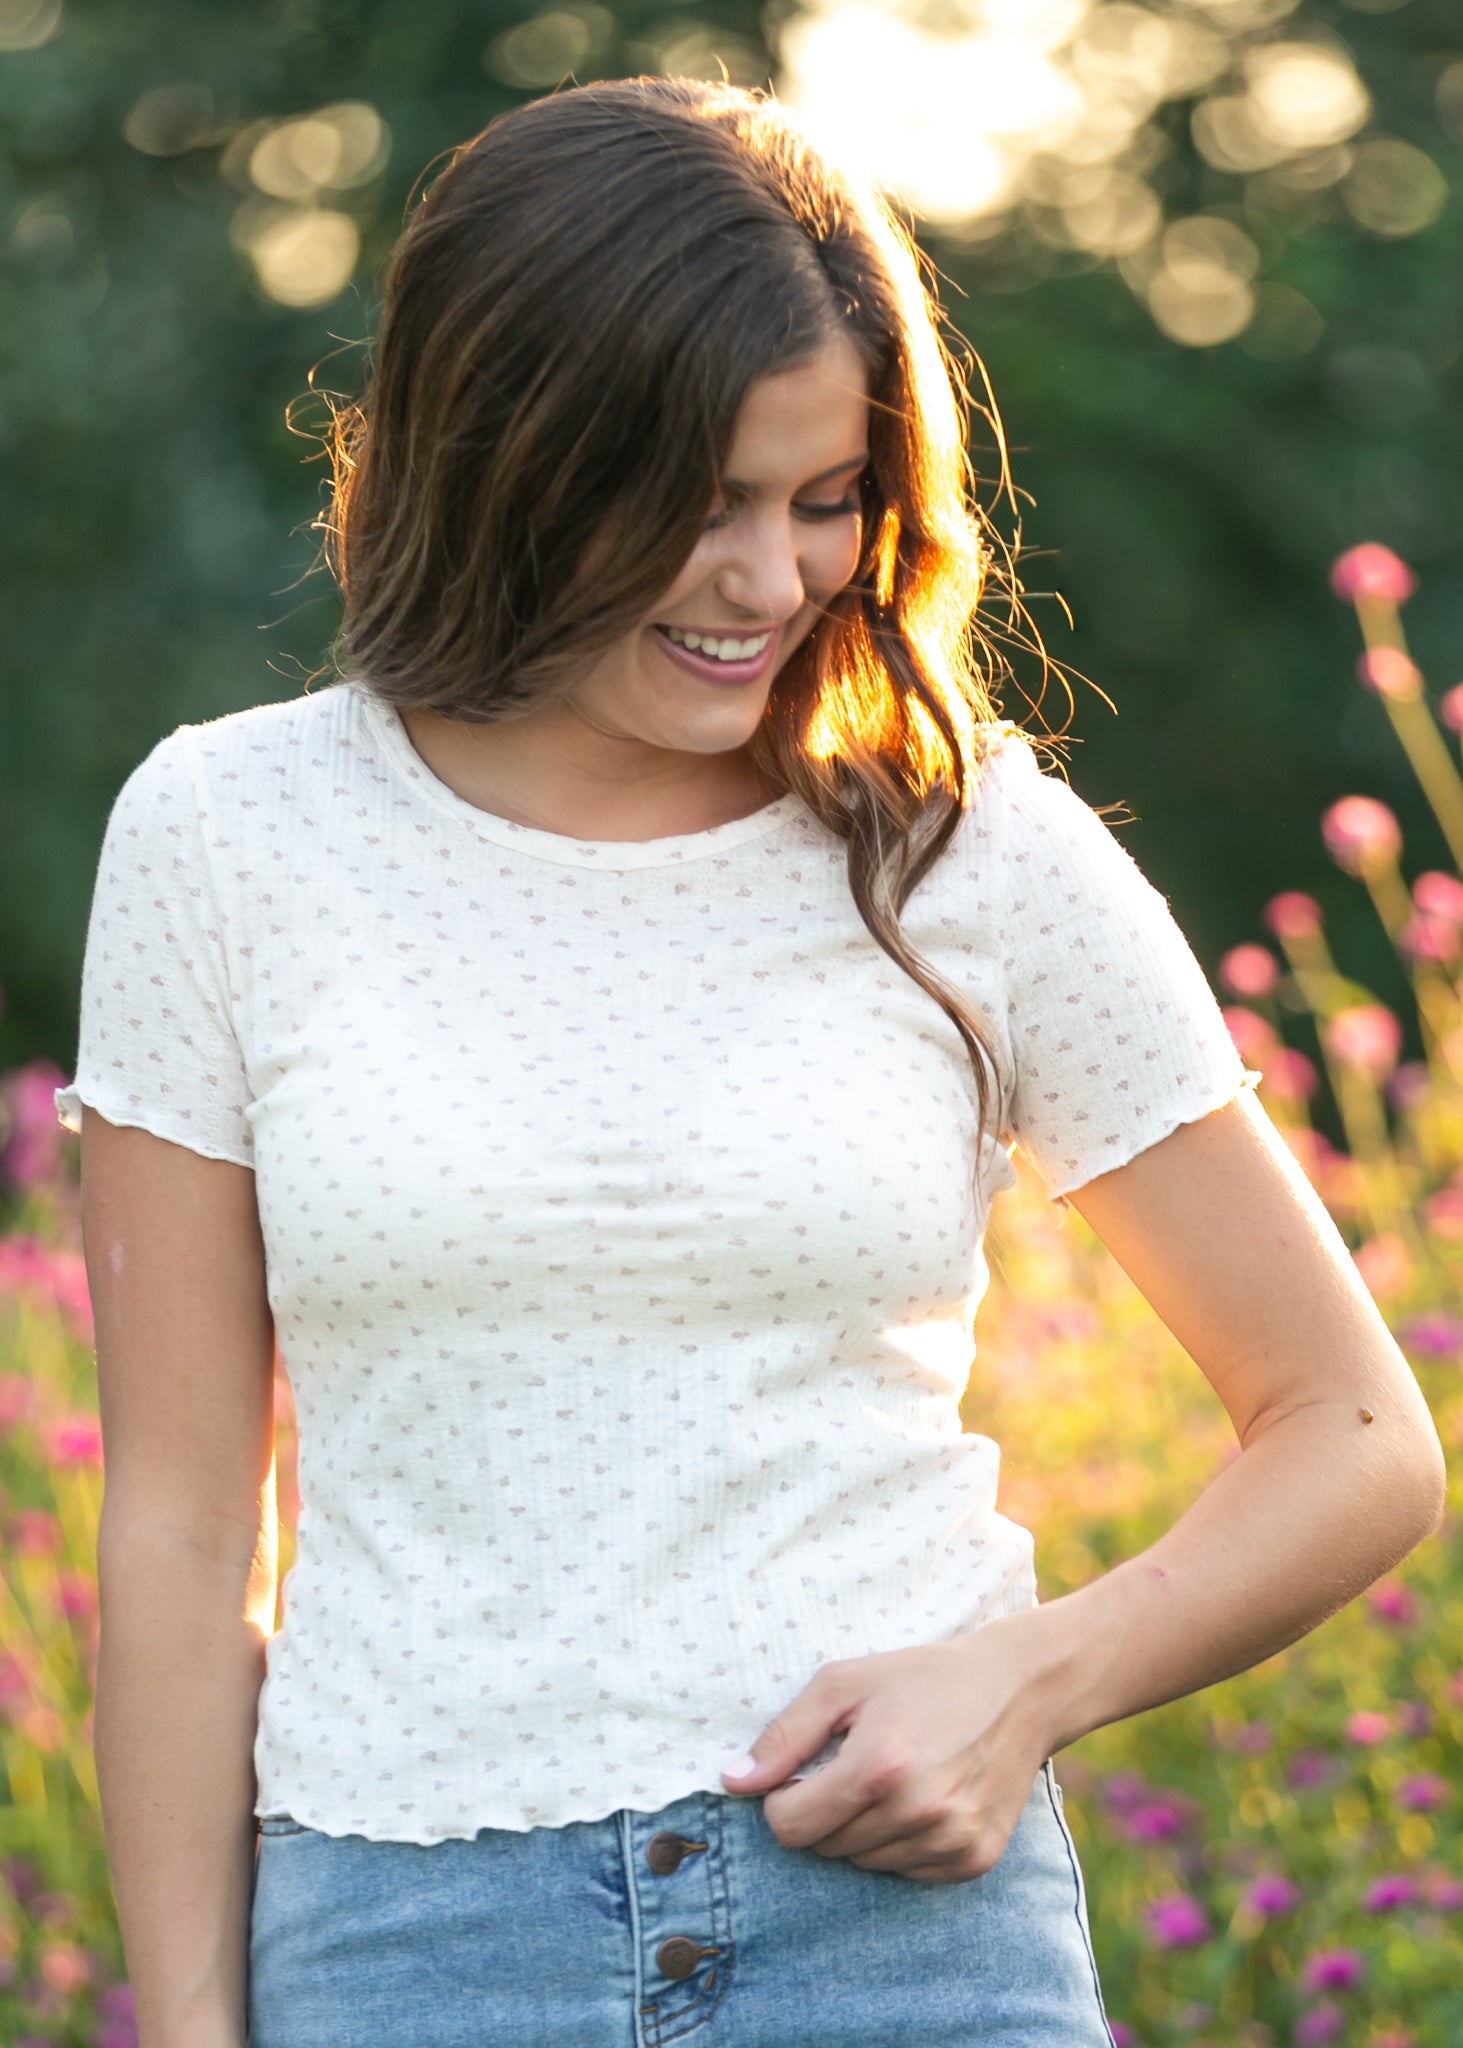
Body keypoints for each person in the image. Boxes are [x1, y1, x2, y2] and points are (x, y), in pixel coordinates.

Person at [55, 75, 1445, 2048]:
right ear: (502, 456)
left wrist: (1031, 1677)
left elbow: (1357, 1433)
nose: (771, 583)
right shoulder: (229, 835)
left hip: (907, 1954)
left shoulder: (972, 844)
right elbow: (188, 1526)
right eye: (697, 502)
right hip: (406, 1960)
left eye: (824, 499)